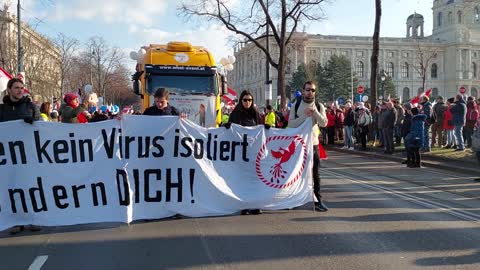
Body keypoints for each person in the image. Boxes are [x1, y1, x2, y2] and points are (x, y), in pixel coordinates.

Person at [0, 78, 41, 235]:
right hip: (8, 156)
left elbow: (42, 127)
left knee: (30, 187)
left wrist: (34, 122)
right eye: (16, 87)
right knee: (11, 188)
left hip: (28, 155)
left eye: (22, 88)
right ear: (9, 89)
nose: (20, 90)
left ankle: (32, 219)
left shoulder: (30, 106)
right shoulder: (2, 110)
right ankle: (15, 221)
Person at [288, 81, 328, 212]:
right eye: (308, 89)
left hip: (314, 144)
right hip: (299, 144)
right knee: (296, 172)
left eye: (313, 90)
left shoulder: (319, 105)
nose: (310, 92)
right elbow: (291, 124)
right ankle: (292, 199)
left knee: (315, 173)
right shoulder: (297, 104)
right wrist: (304, 117)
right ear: (303, 90)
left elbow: (324, 123)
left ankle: (318, 200)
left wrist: (315, 112)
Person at [225, 90, 263, 215]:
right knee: (242, 181)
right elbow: (229, 133)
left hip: (253, 153)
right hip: (240, 153)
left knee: (254, 180)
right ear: (241, 101)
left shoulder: (255, 114)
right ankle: (244, 205)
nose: (247, 102)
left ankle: (255, 205)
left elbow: (260, 130)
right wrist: (226, 127)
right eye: (245, 100)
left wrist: (266, 128)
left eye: (250, 100)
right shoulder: (235, 114)